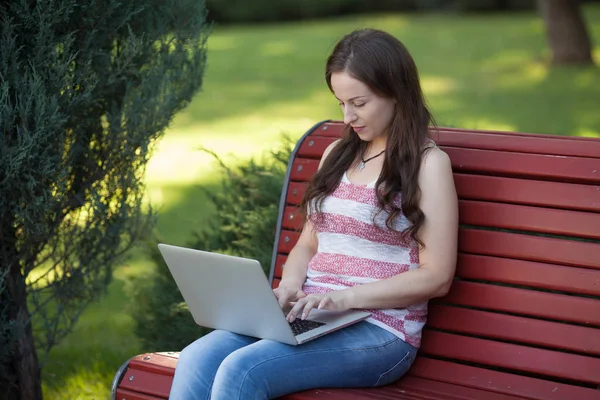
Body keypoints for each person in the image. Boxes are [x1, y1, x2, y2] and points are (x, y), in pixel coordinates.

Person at [169, 28, 458, 400]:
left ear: (397, 94)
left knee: (244, 370)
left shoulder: (427, 164)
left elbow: (437, 277)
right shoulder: (338, 154)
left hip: (381, 330)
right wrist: (289, 286)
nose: (348, 115)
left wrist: (344, 298)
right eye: (340, 103)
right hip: (314, 315)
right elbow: (307, 245)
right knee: (197, 357)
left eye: (359, 102)